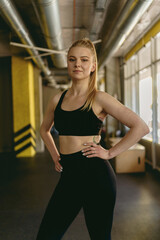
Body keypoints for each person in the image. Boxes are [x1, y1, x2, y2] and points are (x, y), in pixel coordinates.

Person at [36, 38, 149, 240]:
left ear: (93, 66)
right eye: (72, 59)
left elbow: (140, 127)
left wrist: (109, 153)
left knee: (100, 237)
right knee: (47, 235)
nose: (77, 64)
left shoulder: (99, 98)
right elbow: (44, 130)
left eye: (84, 59)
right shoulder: (57, 99)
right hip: (69, 177)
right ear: (67, 63)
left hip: (96, 177)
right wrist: (55, 155)